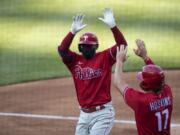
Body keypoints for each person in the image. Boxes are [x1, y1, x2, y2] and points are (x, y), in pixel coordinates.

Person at [57, 8, 127, 135]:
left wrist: (113, 26)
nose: (86, 48)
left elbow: (122, 45)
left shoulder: (105, 57)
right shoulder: (74, 61)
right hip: (84, 114)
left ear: (95, 47)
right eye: (83, 46)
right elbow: (62, 50)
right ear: (79, 47)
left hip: (103, 114)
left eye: (89, 46)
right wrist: (72, 32)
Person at [113, 39, 173, 135]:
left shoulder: (141, 101)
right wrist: (145, 57)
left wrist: (119, 61)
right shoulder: (167, 92)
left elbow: (118, 82)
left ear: (147, 85)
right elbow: (158, 77)